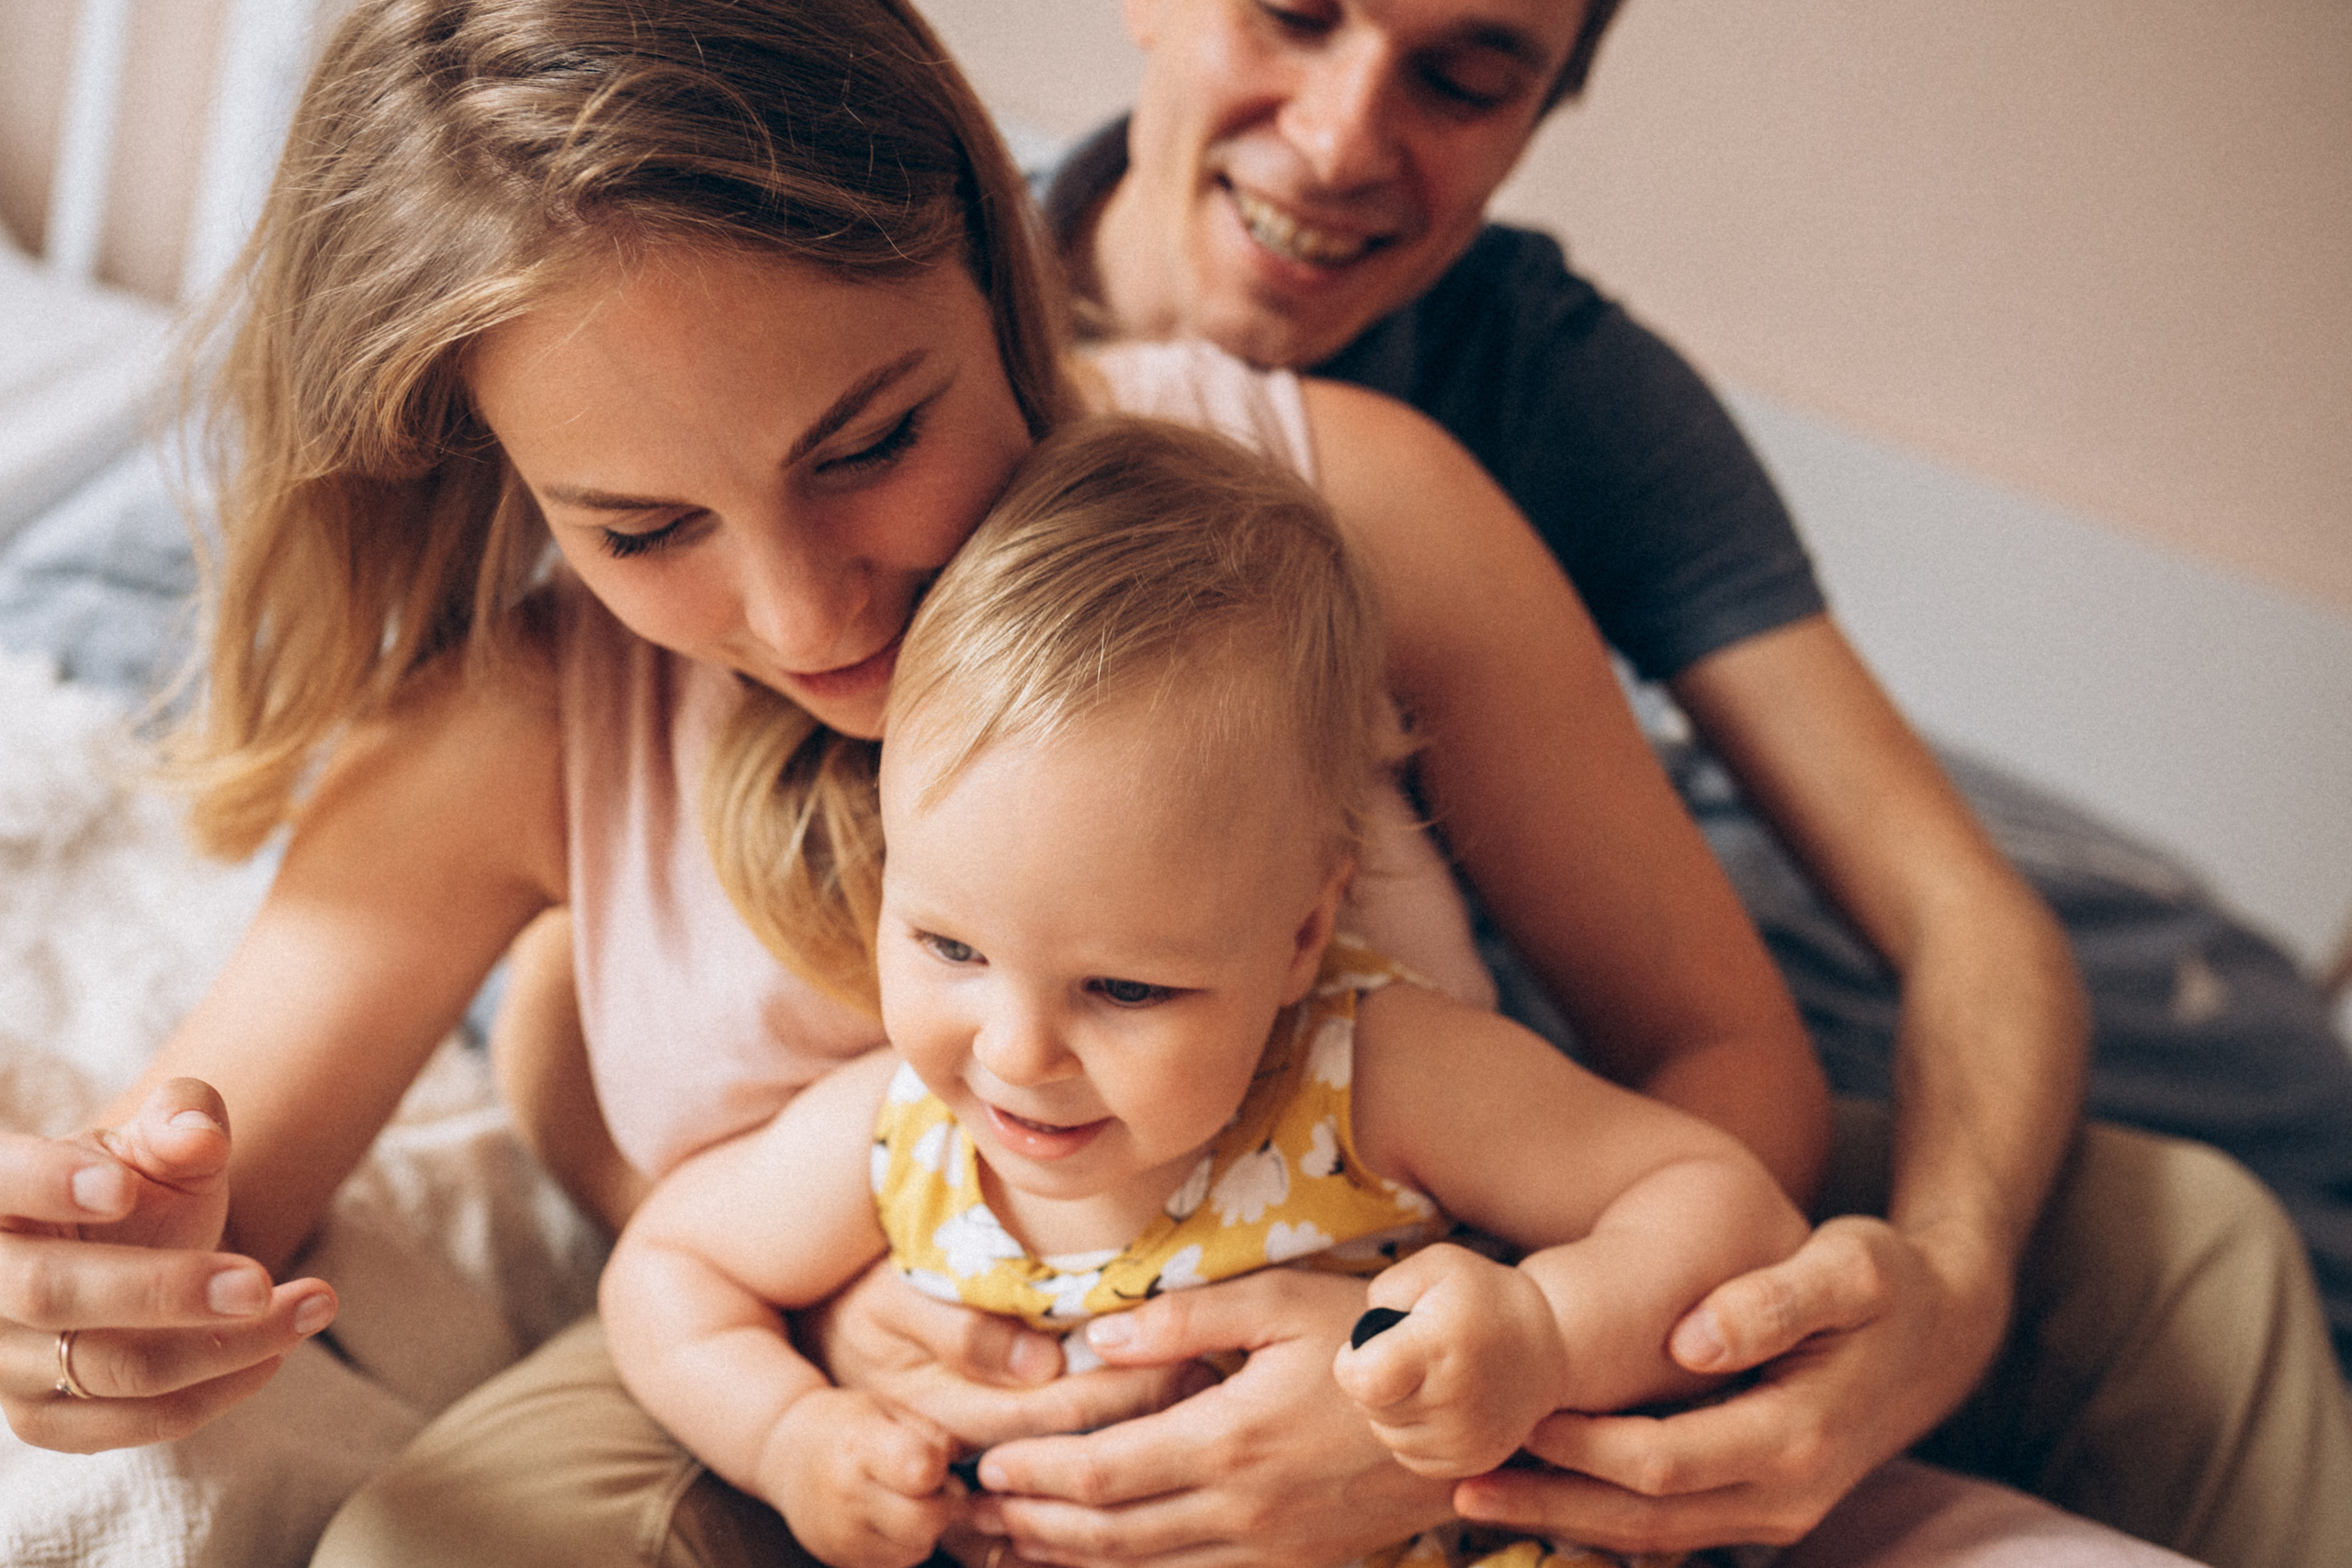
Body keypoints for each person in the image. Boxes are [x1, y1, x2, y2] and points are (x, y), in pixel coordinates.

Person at [0, 0, 1827, 1561]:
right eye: (639, 526)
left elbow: (1722, 1062)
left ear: (989, 256)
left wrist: (1465, 1386)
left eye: (869, 437)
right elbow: (189, 1213)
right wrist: (82, 1290)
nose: (805, 611)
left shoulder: (1326, 507)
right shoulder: (517, 718)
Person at [1016, 2, 2352, 1565]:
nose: (1338, 137)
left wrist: (1941, 1289)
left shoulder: (1556, 385)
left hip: (1525, 1142)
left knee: (2206, 1250)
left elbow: (1957, 910)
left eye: (1462, 79)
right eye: (1295, 13)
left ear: (1544, 109)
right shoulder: (916, 318)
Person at [598, 413, 1814, 1568]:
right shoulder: (900, 1140)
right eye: (949, 948)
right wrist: (783, 1435)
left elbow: (1721, 1201)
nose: (1017, 1052)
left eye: (1126, 988)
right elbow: (666, 1274)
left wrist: (1545, 1335)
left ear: (1299, 935)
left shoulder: (1362, 1071)